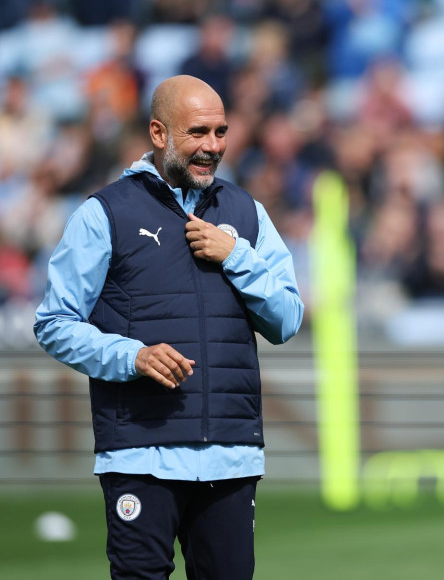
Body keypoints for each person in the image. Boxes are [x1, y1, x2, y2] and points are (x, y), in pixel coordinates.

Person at [34, 75, 304, 580]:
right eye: (198, 132)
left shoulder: (247, 214)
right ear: (159, 134)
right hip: (139, 451)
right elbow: (54, 323)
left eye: (221, 132)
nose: (213, 146)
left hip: (230, 455)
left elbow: (287, 320)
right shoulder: (103, 214)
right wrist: (130, 356)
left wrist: (236, 256)